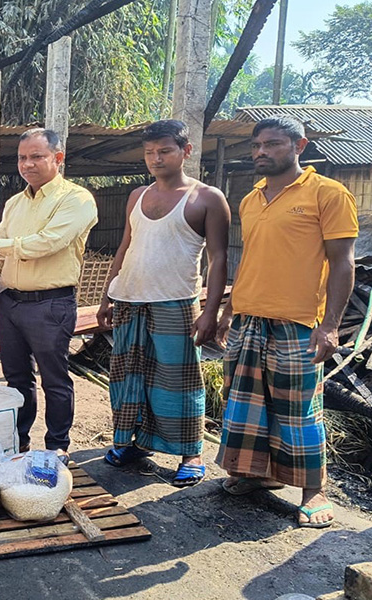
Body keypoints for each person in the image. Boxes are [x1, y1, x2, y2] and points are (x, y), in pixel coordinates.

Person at [216, 116, 357, 527]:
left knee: (298, 411)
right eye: (257, 145)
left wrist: (330, 325)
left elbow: (342, 262)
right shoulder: (251, 198)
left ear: (300, 145)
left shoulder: (328, 194)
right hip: (248, 318)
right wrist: (229, 308)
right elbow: (251, 258)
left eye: (273, 144)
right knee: (245, 405)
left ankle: (314, 492)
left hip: (298, 322)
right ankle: (255, 476)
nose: (261, 152)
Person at [96, 120, 230, 486]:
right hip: (129, 300)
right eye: (149, 153)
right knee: (128, 377)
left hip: (175, 302)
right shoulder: (137, 196)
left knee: (179, 380)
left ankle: (192, 453)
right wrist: (108, 294)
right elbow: (125, 246)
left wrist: (210, 311)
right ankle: (135, 443)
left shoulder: (206, 198)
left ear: (186, 151)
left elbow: (218, 259)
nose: (156, 159)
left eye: (165, 151)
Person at [0, 128, 98, 464]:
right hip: (10, 302)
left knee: (54, 378)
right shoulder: (16, 202)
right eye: (23, 157)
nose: (28, 164)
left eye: (37, 156)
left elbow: (49, 241)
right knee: (17, 377)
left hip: (50, 304)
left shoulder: (76, 199)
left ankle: (56, 446)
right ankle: (18, 440)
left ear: (58, 158)